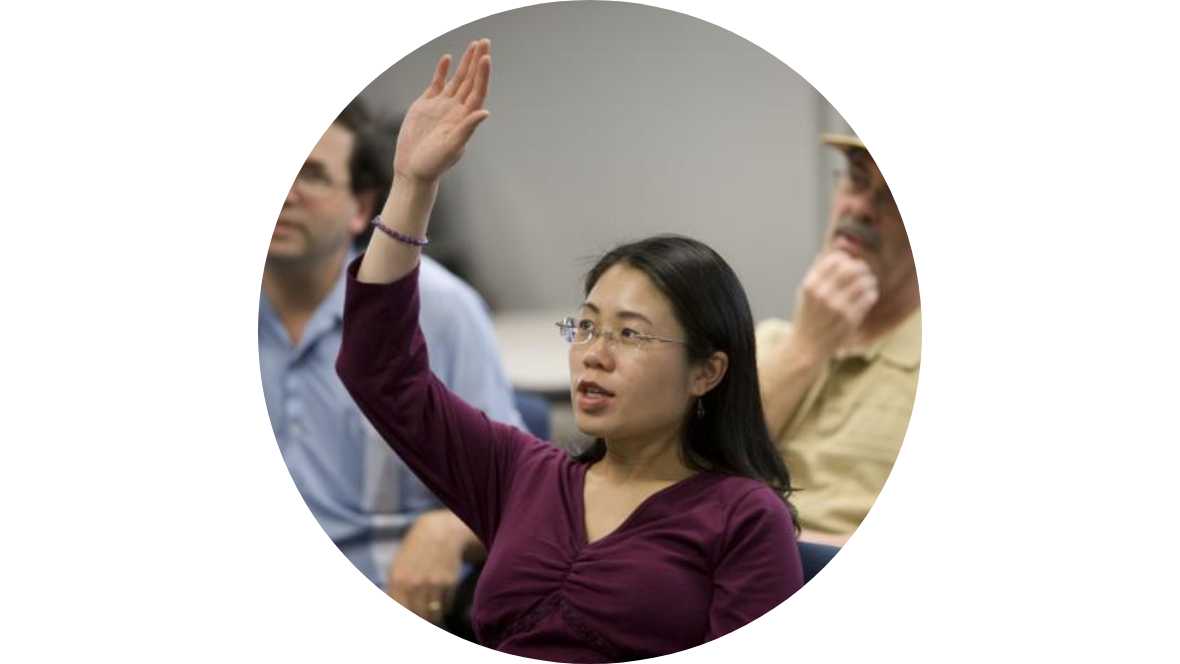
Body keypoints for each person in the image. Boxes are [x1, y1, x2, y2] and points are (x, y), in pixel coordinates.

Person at [335, 38, 803, 661]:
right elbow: (378, 370)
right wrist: (412, 186)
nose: (593, 355)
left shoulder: (742, 518)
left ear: (708, 372)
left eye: (629, 334)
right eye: (585, 327)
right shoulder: (522, 474)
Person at [259, 94, 523, 628]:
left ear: (362, 208)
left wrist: (448, 531)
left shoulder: (441, 310)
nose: (288, 193)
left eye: (311, 176)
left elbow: (520, 493)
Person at [755, 133, 920, 547]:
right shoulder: (771, 344)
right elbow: (684, 485)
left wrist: (766, 544)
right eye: (856, 180)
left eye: (892, 197)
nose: (861, 208)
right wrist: (805, 349)